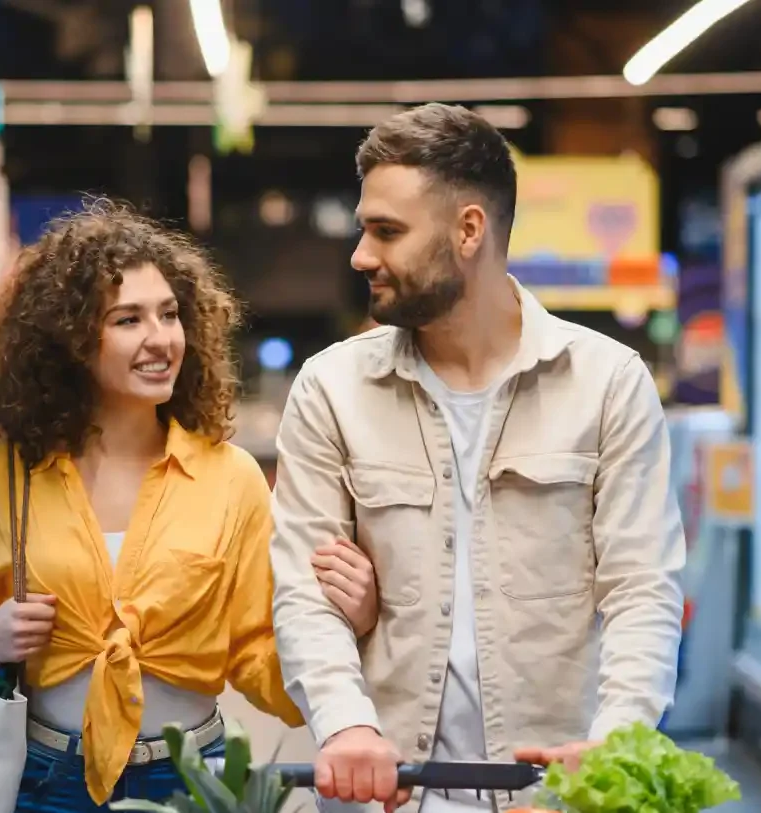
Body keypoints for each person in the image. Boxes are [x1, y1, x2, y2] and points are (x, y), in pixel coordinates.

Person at [0, 203, 378, 812]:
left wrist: (347, 631)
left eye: (170, 314)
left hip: (190, 779)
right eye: (128, 320)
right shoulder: (2, 477)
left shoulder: (229, 480)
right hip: (38, 781)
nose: (160, 338)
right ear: (69, 340)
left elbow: (259, 652)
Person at [269, 103, 686, 812]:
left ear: (469, 230)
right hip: (386, 789)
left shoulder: (606, 384)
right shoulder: (332, 388)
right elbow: (306, 593)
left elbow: (641, 591)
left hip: (551, 792)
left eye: (387, 231)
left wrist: (614, 747)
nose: (361, 255)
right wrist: (347, 724)